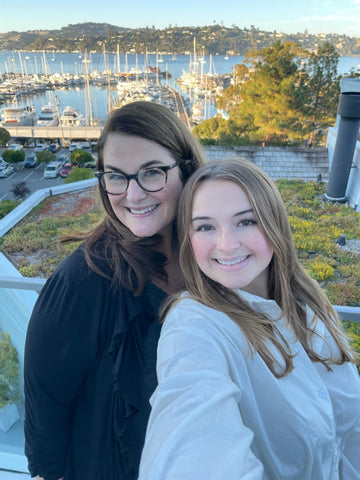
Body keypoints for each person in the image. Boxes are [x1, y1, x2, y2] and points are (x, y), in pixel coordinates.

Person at [139, 158, 360, 479]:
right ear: (189, 239)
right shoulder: (193, 326)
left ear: (273, 224)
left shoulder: (308, 304)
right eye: (205, 226)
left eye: (246, 221)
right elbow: (190, 431)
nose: (227, 245)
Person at [24, 100, 206, 480]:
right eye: (117, 176)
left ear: (186, 169)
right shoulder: (81, 282)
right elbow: (47, 407)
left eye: (152, 172)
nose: (133, 195)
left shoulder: (212, 259)